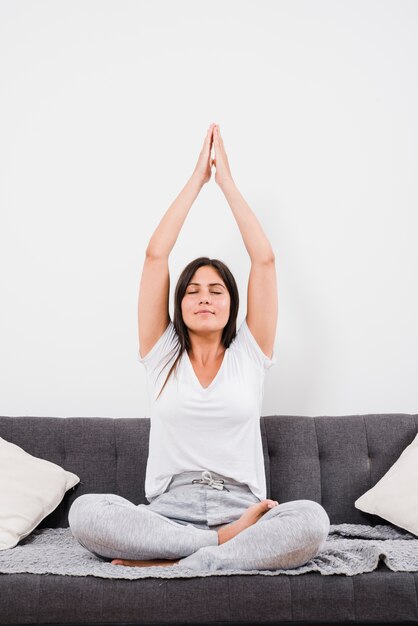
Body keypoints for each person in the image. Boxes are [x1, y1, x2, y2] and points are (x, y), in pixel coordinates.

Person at [68, 123, 330, 571]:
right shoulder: (162, 353)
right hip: (170, 513)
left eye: (215, 290)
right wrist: (197, 180)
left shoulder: (250, 352)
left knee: (312, 521)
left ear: (232, 304)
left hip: (244, 510)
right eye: (191, 291)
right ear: (179, 304)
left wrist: (226, 183)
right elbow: (155, 256)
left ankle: (173, 562)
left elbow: (264, 259)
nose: (203, 296)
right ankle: (218, 549)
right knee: (85, 513)